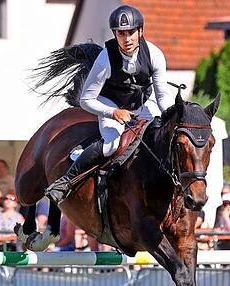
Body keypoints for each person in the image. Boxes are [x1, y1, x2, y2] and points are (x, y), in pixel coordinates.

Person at [45, 5, 174, 204]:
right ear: (115, 34)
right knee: (111, 145)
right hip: (110, 103)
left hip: (142, 104)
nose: (127, 39)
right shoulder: (105, 59)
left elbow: (163, 96)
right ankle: (65, 182)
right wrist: (113, 112)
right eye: (121, 33)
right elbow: (86, 100)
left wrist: (174, 116)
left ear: (140, 31)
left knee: (162, 136)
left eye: (131, 32)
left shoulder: (155, 55)